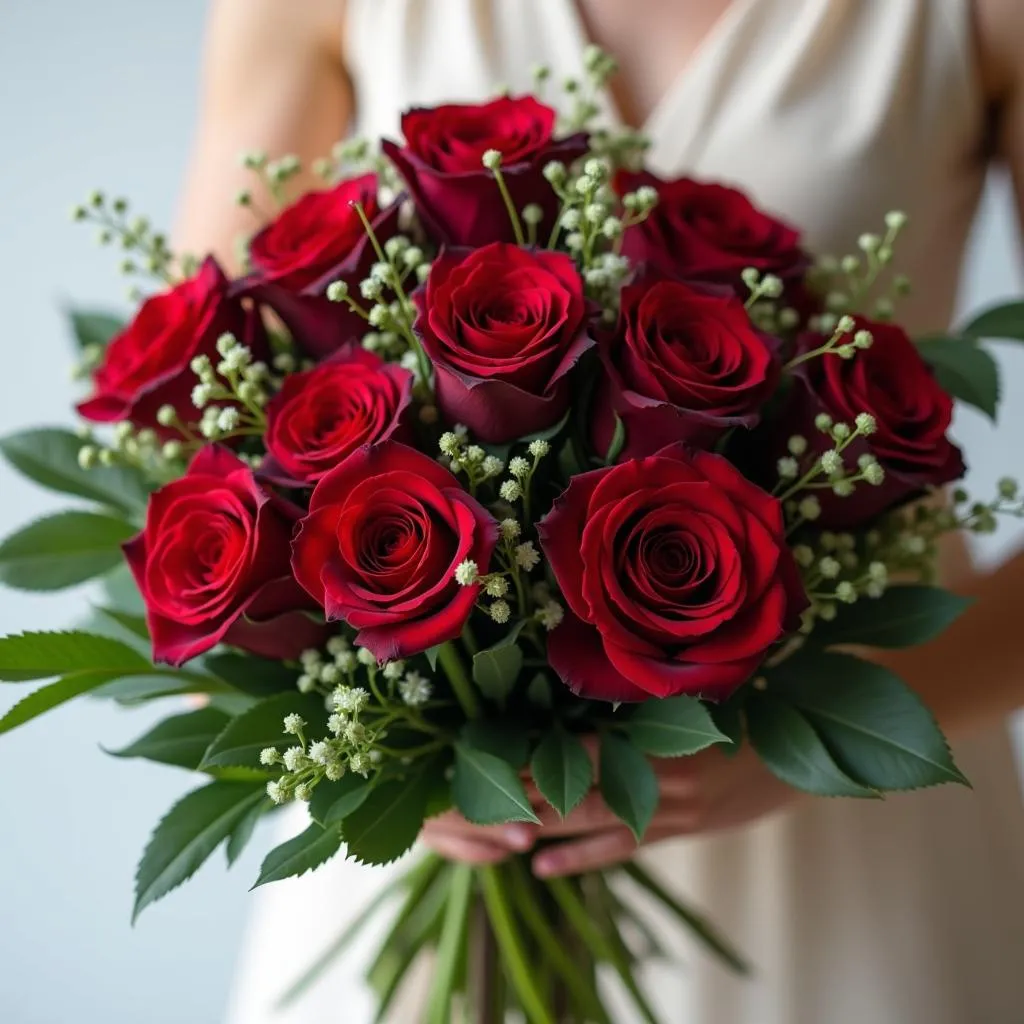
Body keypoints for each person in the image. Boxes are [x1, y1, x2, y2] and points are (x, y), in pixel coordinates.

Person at [173, 2, 1024, 1022]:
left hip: (843, 799)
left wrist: (813, 742)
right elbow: (198, 435)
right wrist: (391, 750)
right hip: (436, 822)